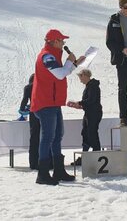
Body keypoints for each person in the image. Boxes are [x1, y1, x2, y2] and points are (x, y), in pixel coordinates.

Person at [31, 29, 85, 185]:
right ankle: (42, 173)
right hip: (45, 102)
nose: (63, 44)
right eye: (62, 41)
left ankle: (58, 170)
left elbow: (61, 72)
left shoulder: (52, 55)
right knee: (48, 137)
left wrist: (73, 63)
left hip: (52, 102)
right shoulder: (46, 56)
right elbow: (60, 74)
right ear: (54, 41)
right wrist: (70, 62)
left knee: (57, 135)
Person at [67, 69, 103, 166]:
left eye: (80, 77)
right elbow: (89, 102)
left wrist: (79, 103)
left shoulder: (93, 86)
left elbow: (91, 100)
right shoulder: (90, 86)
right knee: (85, 133)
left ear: (85, 75)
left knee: (92, 134)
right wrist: (79, 105)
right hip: (89, 113)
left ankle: (97, 155)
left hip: (94, 114)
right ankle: (85, 156)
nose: (80, 80)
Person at [19, 73, 49, 170]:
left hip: (34, 112)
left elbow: (24, 101)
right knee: (45, 137)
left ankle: (33, 163)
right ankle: (47, 162)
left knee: (34, 137)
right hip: (45, 112)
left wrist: (23, 109)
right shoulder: (44, 86)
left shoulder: (28, 88)